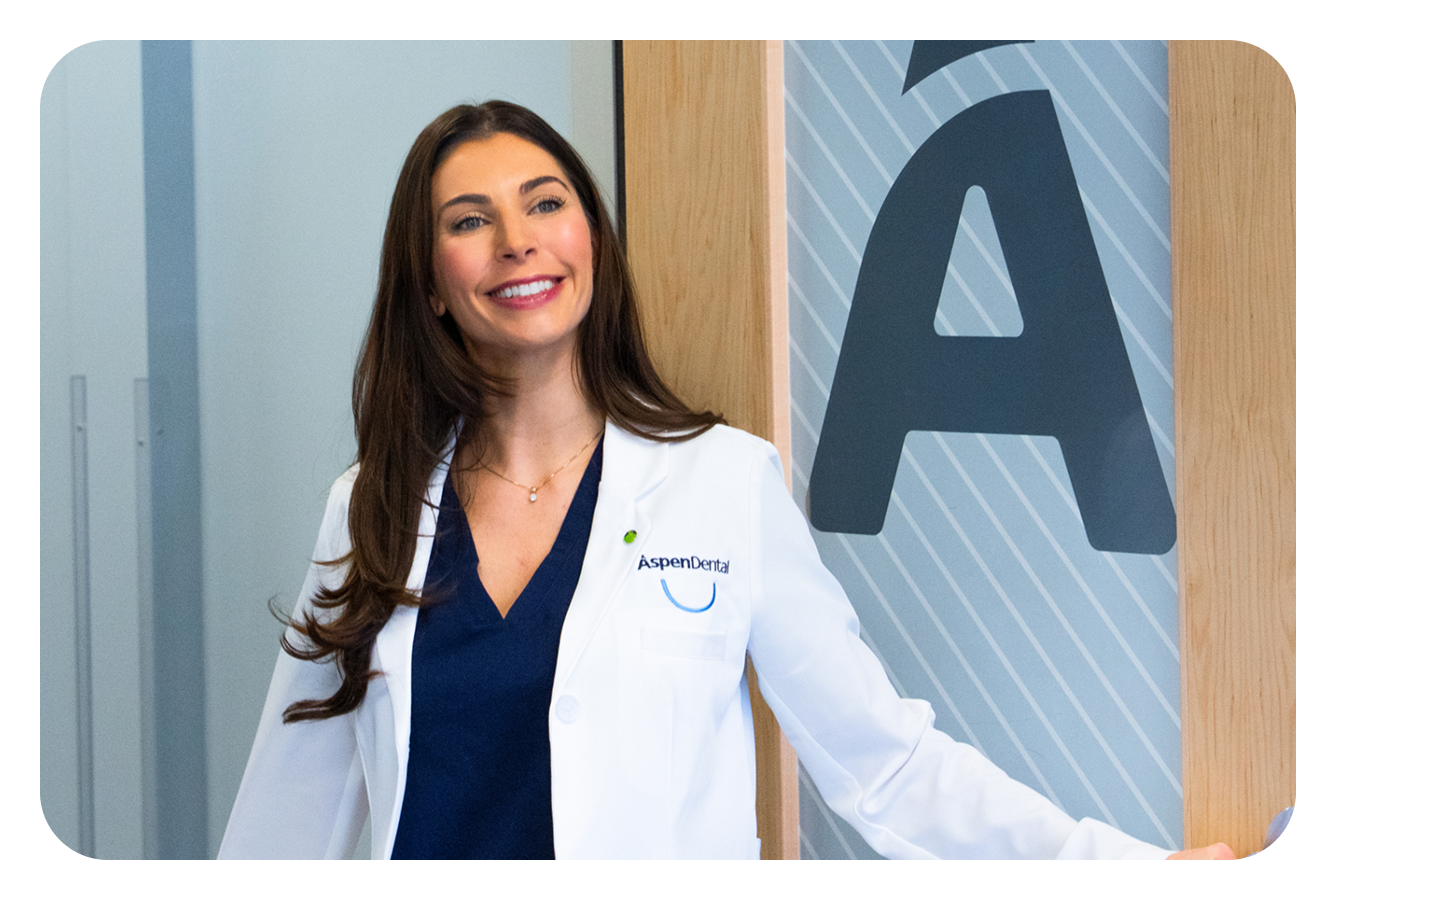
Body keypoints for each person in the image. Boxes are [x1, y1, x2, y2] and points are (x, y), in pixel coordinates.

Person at [218, 100, 1234, 861]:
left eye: (545, 203)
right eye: (470, 219)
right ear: (430, 283)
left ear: (591, 243)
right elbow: (288, 816)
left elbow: (884, 765)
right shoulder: (372, 503)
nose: (518, 238)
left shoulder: (722, 485)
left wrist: (1129, 872)